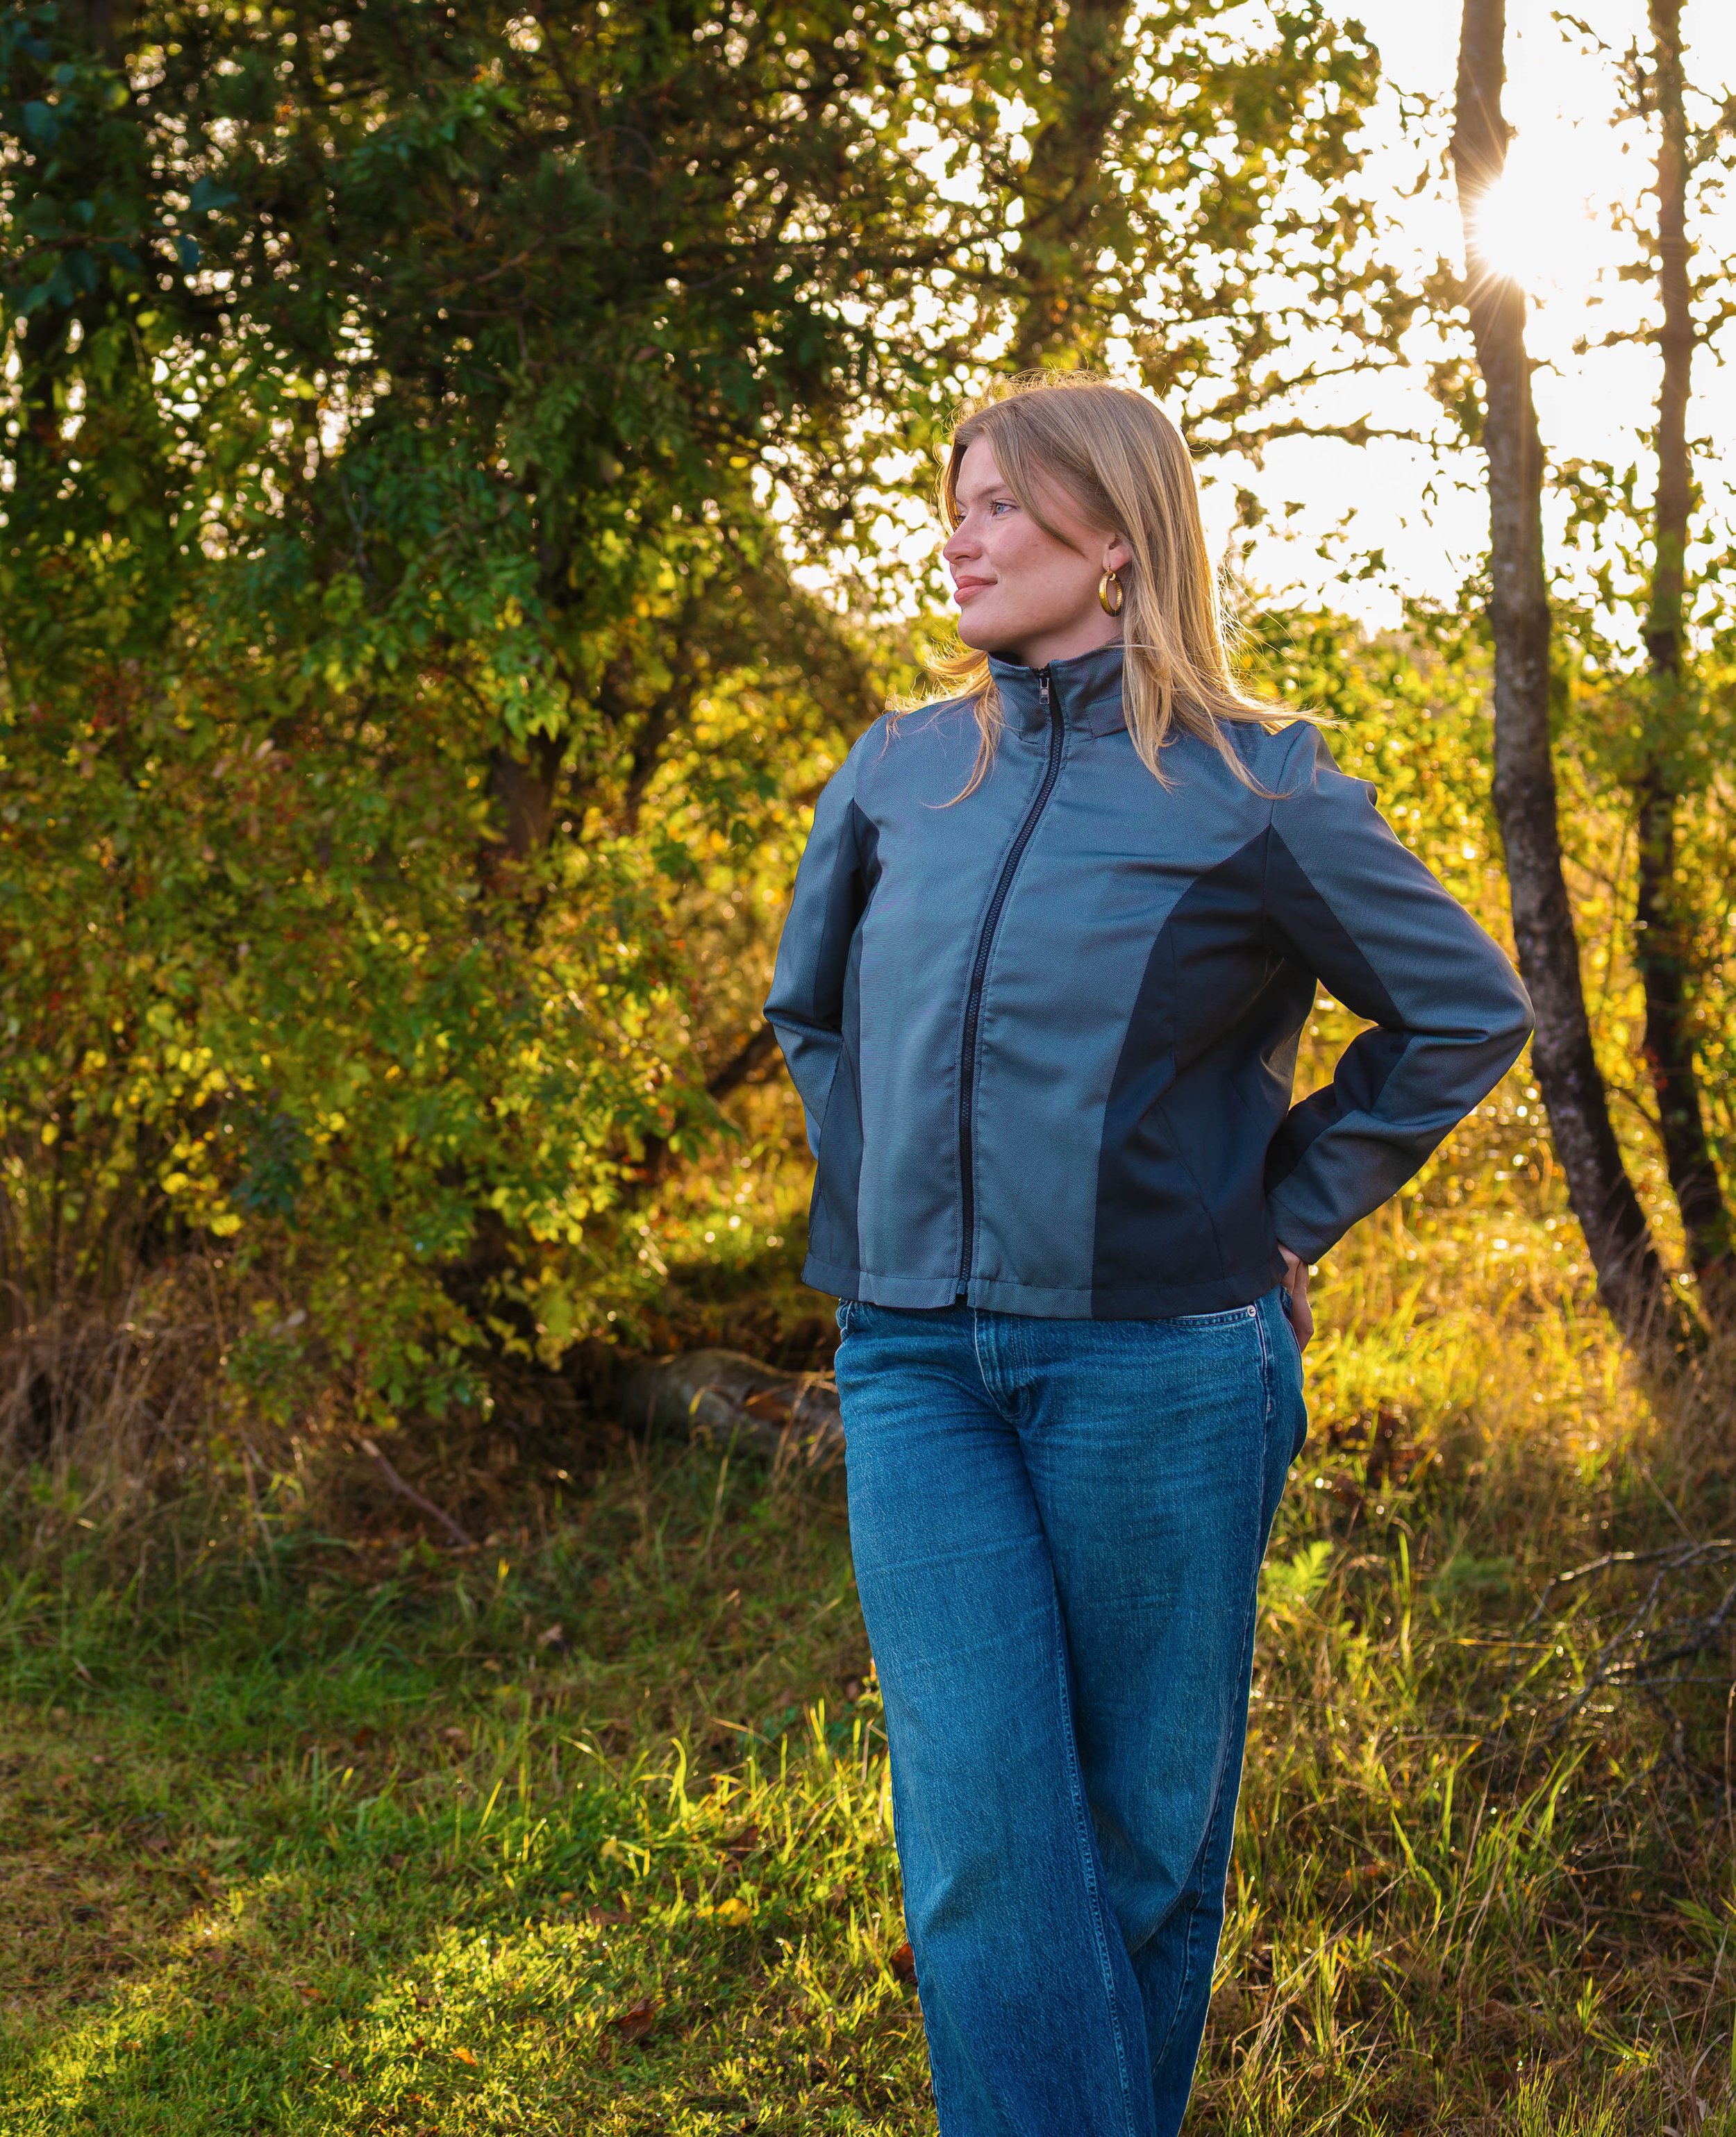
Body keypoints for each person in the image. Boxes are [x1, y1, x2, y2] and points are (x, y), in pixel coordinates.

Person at [765, 371, 1532, 2137]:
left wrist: (1278, 1211)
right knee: (978, 1838)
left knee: (1136, 1843)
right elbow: (811, 1014)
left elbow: (1458, 1013)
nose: (959, 540)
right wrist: (883, 1202)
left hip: (1160, 1368)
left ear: (1114, 538)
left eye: (1001, 507)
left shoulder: (1254, 786)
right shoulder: (896, 771)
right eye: (954, 505)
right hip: (911, 1365)